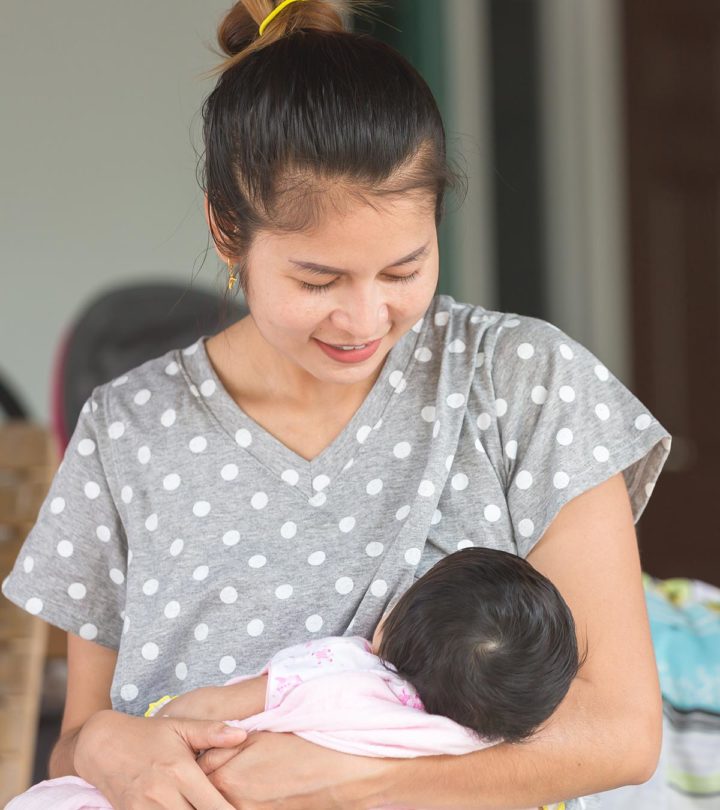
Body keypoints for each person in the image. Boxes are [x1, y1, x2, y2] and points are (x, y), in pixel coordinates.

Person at [1, 0, 671, 807]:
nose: (363, 320)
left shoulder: (522, 382)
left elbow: (622, 735)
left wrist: (359, 784)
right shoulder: (126, 430)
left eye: (402, 270)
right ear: (226, 230)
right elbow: (75, 738)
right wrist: (109, 744)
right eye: (317, 281)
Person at [6, 548, 581, 810]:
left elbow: (209, 710)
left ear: (390, 629)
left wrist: (157, 716)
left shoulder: (340, 670)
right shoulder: (476, 748)